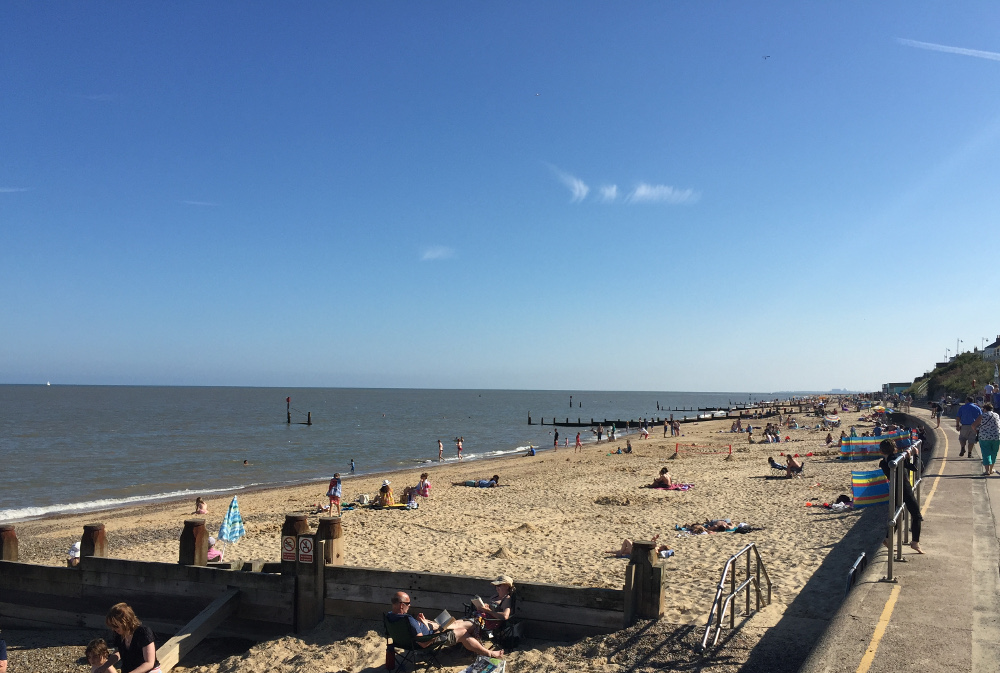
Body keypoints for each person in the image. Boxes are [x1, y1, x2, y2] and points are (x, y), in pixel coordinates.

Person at [387, 591, 502, 659]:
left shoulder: (389, 616)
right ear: (402, 605)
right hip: (431, 638)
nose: (410, 605)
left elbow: (411, 631)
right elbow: (423, 643)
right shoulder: (408, 619)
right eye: (408, 603)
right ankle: (488, 652)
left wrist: (422, 622)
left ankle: (470, 634)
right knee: (462, 631)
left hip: (408, 641)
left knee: (454, 622)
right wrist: (440, 630)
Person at [879, 439, 923, 553]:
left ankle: (888, 539)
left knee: (898, 515)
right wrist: (915, 455)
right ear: (895, 449)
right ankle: (915, 542)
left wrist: (906, 457)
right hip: (905, 489)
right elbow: (916, 467)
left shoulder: (885, 462)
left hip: (894, 489)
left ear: (881, 452)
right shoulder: (897, 459)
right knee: (916, 515)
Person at [96, 603, 159, 673]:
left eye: (115, 626)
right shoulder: (119, 634)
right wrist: (104, 666)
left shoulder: (143, 632)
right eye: (111, 626)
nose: (113, 629)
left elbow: (149, 663)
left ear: (125, 622)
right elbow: (118, 652)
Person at [971, 403, 1000, 476]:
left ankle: (987, 471)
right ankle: (991, 469)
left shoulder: (982, 416)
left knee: (986, 452)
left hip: (984, 437)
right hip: (996, 437)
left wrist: (976, 430)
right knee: (994, 453)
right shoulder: (996, 415)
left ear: (985, 409)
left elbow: (973, 425)